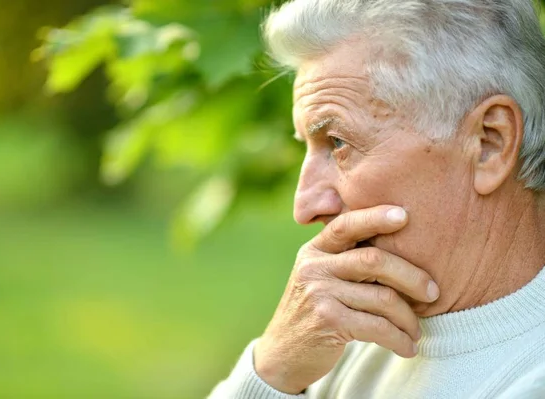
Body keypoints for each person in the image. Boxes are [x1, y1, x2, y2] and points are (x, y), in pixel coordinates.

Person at [208, 0, 545, 398]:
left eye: (337, 142)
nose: (305, 206)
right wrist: (270, 373)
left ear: (489, 143)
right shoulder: (340, 330)